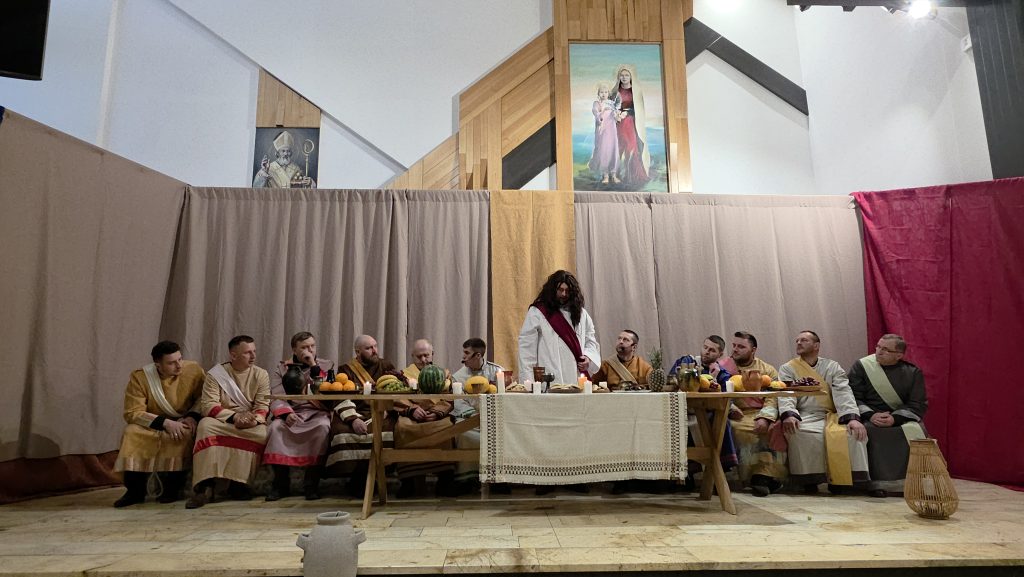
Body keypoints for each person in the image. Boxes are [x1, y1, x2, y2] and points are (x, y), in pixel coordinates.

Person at [113, 341, 204, 507]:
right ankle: (135, 491)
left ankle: (172, 489)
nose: (179, 365)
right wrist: (164, 423)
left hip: (183, 420)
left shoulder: (194, 370)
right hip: (153, 421)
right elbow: (132, 411)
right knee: (132, 433)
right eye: (171, 363)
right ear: (158, 365)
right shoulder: (140, 378)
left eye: (180, 359)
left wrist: (192, 416)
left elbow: (203, 397)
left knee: (182, 433)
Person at [778, 331, 869, 494]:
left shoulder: (832, 367)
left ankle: (843, 481)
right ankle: (808, 481)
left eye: (804, 340)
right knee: (798, 432)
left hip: (831, 415)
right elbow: (786, 394)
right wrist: (789, 414)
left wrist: (852, 418)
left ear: (816, 345)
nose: (798, 343)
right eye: (797, 340)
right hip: (804, 415)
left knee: (852, 433)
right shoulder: (788, 368)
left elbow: (843, 392)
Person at [186, 335, 270, 509]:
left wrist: (254, 420)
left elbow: (262, 405)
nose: (253, 356)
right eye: (247, 353)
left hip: (249, 422)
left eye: (254, 351)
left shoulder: (261, 374)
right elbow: (208, 405)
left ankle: (239, 484)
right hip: (222, 421)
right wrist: (234, 417)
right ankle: (204, 486)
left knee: (261, 433)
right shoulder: (216, 375)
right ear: (233, 355)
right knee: (205, 426)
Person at [848, 334, 928, 498]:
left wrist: (895, 418)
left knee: (917, 431)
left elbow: (917, 403)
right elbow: (852, 396)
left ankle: (910, 484)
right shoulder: (862, 366)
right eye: (878, 347)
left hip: (900, 417)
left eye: (885, 349)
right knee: (870, 431)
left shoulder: (913, 372)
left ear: (899, 355)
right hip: (869, 415)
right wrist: (871, 415)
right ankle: (875, 484)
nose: (879, 351)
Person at [263, 331, 335, 501]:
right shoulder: (282, 369)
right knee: (275, 428)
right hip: (292, 412)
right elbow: (277, 395)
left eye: (312, 346)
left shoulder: (326, 366)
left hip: (316, 412)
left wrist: (313, 366)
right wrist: (286, 414)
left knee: (323, 427)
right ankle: (280, 484)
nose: (309, 350)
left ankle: (311, 484)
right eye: (304, 347)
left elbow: (326, 393)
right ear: (294, 350)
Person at [325, 334, 397, 496]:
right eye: (369, 348)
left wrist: (387, 408)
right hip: (355, 412)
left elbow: (396, 388)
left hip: (381, 412)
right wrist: (353, 419)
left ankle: (377, 477)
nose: (374, 351)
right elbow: (340, 396)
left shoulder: (386, 366)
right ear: (358, 352)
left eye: (375, 346)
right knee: (341, 431)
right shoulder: (346, 369)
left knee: (389, 430)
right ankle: (357, 480)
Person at [667, 335, 740, 479]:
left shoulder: (722, 373)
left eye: (712, 350)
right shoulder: (687, 362)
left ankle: (718, 470)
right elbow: (671, 382)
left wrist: (714, 378)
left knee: (722, 422)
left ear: (720, 354)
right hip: (682, 410)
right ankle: (685, 474)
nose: (706, 352)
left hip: (705, 412)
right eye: (705, 347)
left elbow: (725, 397)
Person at [728, 331, 786, 497]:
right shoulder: (724, 367)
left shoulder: (767, 370)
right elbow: (716, 390)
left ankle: (763, 477)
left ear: (753, 350)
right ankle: (733, 479)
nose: (735, 349)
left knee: (772, 428)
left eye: (741, 346)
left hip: (760, 413)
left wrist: (765, 418)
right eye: (734, 345)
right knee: (733, 429)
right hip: (734, 413)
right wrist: (731, 408)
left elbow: (773, 396)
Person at [517, 269, 600, 385]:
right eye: (560, 290)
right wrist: (529, 382)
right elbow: (526, 347)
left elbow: (590, 341)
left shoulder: (581, 314)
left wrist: (588, 358)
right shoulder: (538, 312)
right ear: (552, 290)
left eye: (567, 291)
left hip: (575, 377)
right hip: (549, 376)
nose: (564, 294)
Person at [450, 338, 506, 495]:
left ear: (478, 355)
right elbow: (459, 403)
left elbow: (505, 396)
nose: (463, 356)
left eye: (467, 353)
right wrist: (475, 417)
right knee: (464, 434)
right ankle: (468, 480)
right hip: (469, 419)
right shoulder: (458, 377)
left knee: (502, 434)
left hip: (493, 418)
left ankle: (497, 480)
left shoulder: (497, 372)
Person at [612, 65, 650, 187]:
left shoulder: (636, 91)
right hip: (618, 124)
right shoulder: (615, 91)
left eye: (626, 75)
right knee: (618, 147)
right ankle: (616, 174)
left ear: (631, 77)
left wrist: (627, 113)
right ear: (619, 77)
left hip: (630, 123)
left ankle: (632, 175)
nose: (624, 77)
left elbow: (638, 109)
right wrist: (616, 114)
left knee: (631, 147)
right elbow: (610, 106)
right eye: (622, 75)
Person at [588, 82, 620, 184]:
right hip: (602, 130)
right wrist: (601, 113)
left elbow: (616, 116)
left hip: (612, 130)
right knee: (604, 150)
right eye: (601, 92)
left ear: (608, 93)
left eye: (606, 92)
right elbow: (595, 112)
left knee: (613, 149)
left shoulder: (611, 103)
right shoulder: (597, 103)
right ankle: (605, 174)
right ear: (598, 93)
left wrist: (616, 114)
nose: (604, 94)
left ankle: (613, 174)